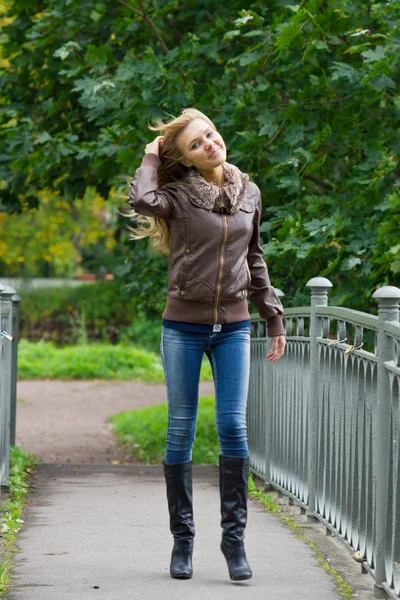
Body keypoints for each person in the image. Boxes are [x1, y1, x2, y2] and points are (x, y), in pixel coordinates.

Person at [128, 108, 286, 582]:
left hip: (235, 326)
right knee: (181, 429)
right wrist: (150, 156)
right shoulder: (175, 197)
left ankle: (234, 543)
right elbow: (142, 200)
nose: (209, 145)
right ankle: (183, 542)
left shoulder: (250, 193)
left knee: (233, 427)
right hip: (183, 327)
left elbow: (254, 258)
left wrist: (273, 318)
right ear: (188, 159)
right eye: (196, 144)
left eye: (210, 135)